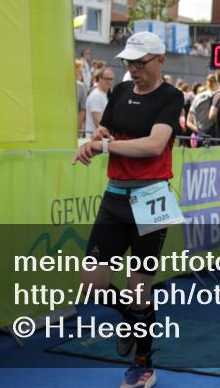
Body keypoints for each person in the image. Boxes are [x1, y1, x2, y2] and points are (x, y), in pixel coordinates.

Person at [72, 31, 184, 388]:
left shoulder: (172, 96)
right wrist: (96, 139)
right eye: (129, 63)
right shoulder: (119, 91)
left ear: (159, 61)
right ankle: (132, 320)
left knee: (140, 290)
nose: (133, 69)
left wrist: (104, 146)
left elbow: (154, 146)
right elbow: (107, 129)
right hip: (114, 198)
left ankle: (143, 364)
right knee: (92, 284)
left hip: (152, 199)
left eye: (140, 63)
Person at [86, 68, 115, 136]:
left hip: (101, 139)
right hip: (95, 139)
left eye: (111, 79)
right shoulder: (96, 95)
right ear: (100, 79)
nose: (109, 81)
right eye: (107, 79)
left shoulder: (105, 94)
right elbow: (99, 122)